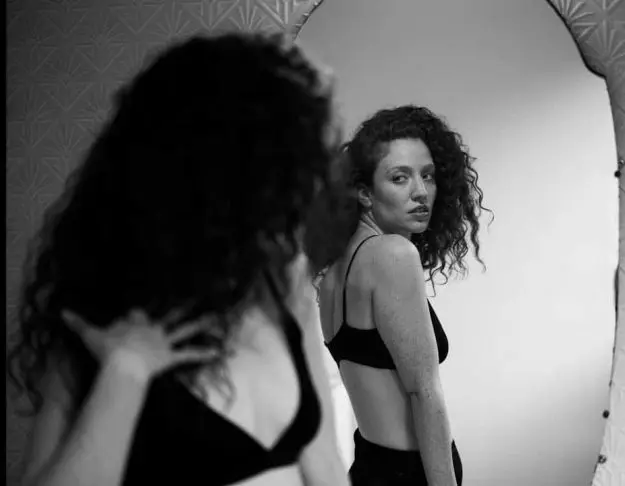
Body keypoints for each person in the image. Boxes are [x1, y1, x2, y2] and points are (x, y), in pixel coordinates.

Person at [6, 32, 351, 486]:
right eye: (288, 173)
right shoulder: (101, 311)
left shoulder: (280, 280)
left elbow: (324, 464)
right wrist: (126, 372)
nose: (305, 193)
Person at [314, 105, 492, 486]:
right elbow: (423, 392)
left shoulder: (333, 275)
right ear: (365, 193)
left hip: (369, 467)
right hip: (410, 475)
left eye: (427, 175)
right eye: (400, 178)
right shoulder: (393, 255)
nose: (421, 192)